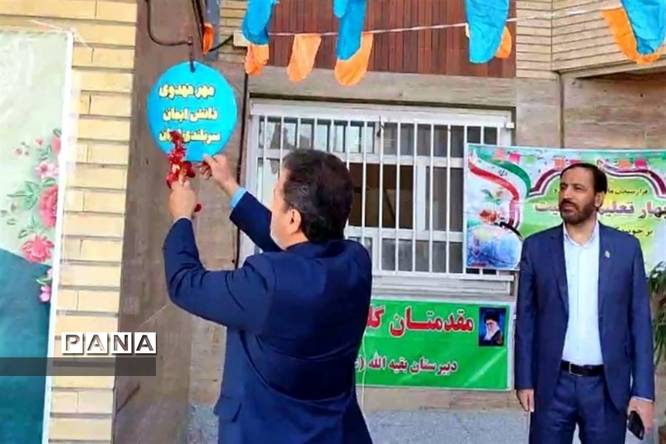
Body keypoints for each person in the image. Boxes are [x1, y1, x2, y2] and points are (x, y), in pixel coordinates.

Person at [163, 148, 373, 444]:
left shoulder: (266, 284)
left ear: (293, 219)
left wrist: (181, 218)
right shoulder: (355, 262)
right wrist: (229, 185)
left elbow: (185, 284)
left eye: (275, 196)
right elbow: (298, 249)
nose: (272, 204)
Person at [514, 162, 655, 443]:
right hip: (552, 385)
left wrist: (643, 392)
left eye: (578, 188)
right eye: (563, 187)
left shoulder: (626, 249)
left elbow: (639, 322)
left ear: (598, 198)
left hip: (606, 388)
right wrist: (524, 380)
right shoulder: (537, 247)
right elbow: (526, 320)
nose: (567, 194)